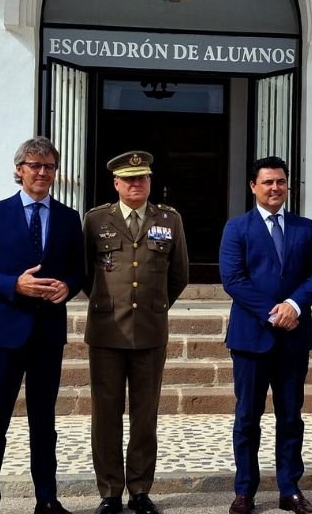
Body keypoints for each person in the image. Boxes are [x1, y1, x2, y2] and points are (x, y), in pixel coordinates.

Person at [0, 137, 86, 514]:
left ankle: (47, 499)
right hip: (3, 334)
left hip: (47, 335)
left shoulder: (68, 218)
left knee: (44, 424)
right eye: (34, 165)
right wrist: (13, 284)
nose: (42, 172)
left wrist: (68, 285)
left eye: (49, 166)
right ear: (19, 170)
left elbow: (79, 271)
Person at [219, 156, 312, 514]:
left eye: (281, 182)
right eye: (267, 182)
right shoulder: (237, 228)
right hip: (252, 337)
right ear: (253, 186)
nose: (275, 188)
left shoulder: (304, 227)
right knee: (247, 417)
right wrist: (274, 312)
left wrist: (293, 306)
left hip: (294, 337)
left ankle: (289, 489)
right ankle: (244, 491)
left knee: (291, 416)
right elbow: (233, 279)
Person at [83, 151, 189, 514]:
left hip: (149, 331)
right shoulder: (96, 220)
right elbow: (85, 274)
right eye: (129, 179)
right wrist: (108, 304)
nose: (136, 184)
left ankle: (140, 490)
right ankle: (110, 492)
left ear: (149, 181)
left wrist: (154, 305)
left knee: (145, 415)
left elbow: (179, 275)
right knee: (106, 415)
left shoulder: (169, 220)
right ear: (116, 183)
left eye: (142, 178)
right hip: (107, 332)